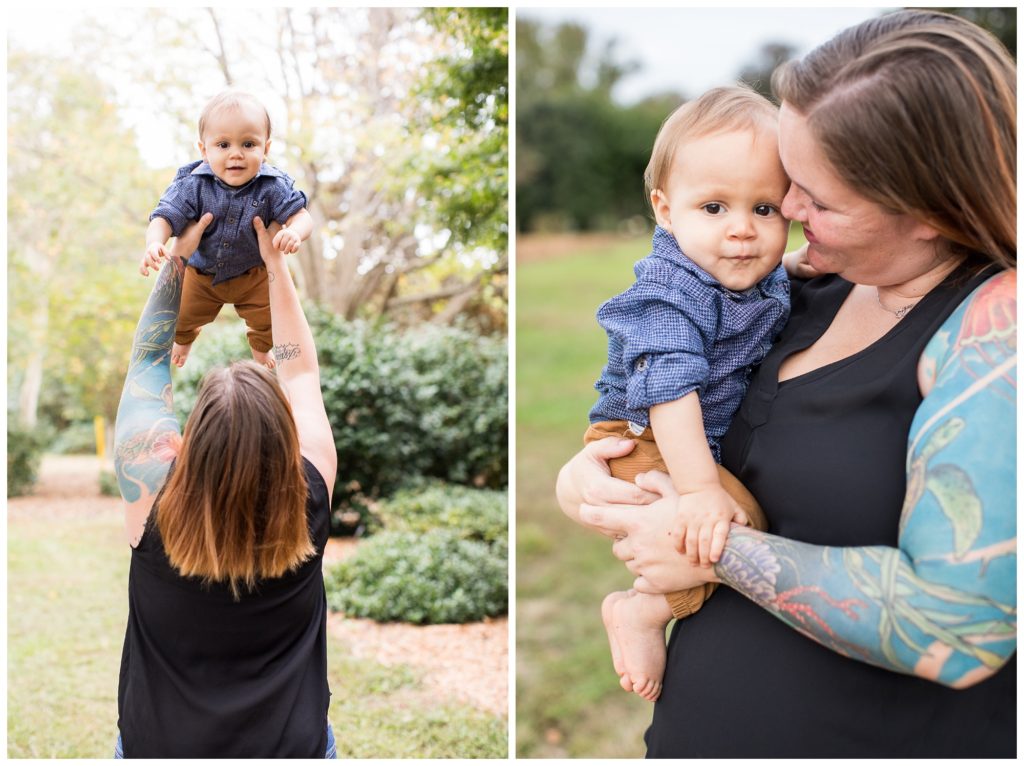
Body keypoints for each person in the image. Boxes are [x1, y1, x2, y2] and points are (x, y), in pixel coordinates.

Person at [556, 9, 1015, 757]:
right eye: (789, 184)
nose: (788, 214)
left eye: (812, 197)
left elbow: (959, 624)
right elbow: (678, 403)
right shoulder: (789, 292)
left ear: (929, 210)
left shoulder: (997, 334)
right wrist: (589, 480)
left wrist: (713, 550)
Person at [585, 86, 793, 702]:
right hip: (644, 437)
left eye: (765, 210)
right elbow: (670, 393)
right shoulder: (671, 292)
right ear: (665, 210)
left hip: (685, 441)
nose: (741, 232)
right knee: (735, 526)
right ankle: (647, 607)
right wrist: (701, 490)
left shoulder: (755, 271)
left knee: (731, 528)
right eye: (713, 208)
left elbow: (785, 280)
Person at [113, 212, 338, 757]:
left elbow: (148, 364)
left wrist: (178, 260)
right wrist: (274, 266)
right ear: (286, 443)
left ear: (187, 442)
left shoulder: (150, 496)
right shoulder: (309, 491)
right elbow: (299, 372)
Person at [140, 90, 314, 369]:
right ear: (204, 150)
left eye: (248, 144)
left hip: (253, 274)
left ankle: (260, 347)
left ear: (265, 149)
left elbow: (302, 216)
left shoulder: (273, 186)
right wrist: (154, 243)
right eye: (223, 145)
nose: (236, 154)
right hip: (202, 274)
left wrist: (294, 232)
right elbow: (164, 216)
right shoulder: (193, 185)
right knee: (181, 314)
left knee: (271, 317)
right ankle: (184, 340)